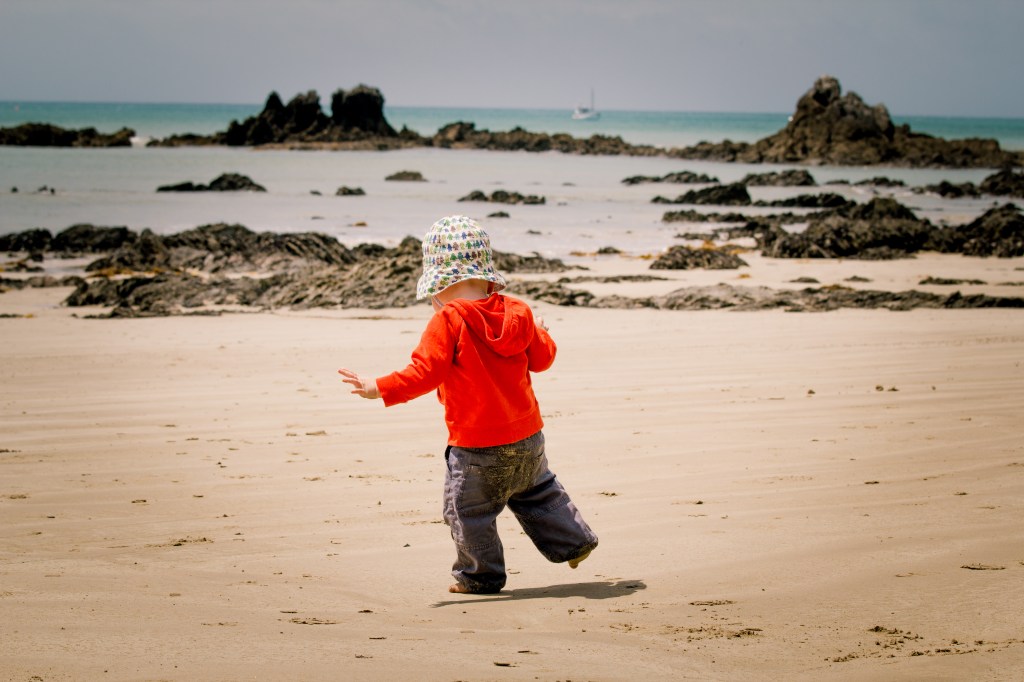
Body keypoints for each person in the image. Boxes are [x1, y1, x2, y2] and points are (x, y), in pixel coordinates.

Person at [338, 215, 598, 594]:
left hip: (476, 447)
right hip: (528, 436)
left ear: (439, 285)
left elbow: (424, 373)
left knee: (467, 512)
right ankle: (575, 542)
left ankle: (480, 576)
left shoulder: (448, 320)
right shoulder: (521, 312)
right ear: (487, 273)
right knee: (538, 490)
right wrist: (540, 332)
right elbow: (542, 361)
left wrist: (378, 386)